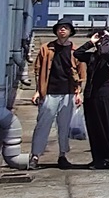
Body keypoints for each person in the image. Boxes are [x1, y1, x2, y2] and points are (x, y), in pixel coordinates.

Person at [28, 19, 84, 170]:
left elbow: (80, 73)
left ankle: (62, 155)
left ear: (70, 31)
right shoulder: (46, 48)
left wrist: (78, 92)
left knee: (64, 126)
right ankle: (35, 156)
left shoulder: (75, 50)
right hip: (50, 92)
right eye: (60, 28)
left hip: (68, 92)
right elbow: (38, 70)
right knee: (42, 125)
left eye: (65, 28)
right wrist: (38, 91)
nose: (62, 30)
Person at [74, 29, 109, 169]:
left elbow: (105, 53)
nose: (100, 43)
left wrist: (106, 40)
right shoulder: (93, 56)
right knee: (94, 128)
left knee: (106, 127)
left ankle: (107, 158)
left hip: (104, 95)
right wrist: (90, 42)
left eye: (104, 41)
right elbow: (77, 54)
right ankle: (97, 157)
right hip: (91, 95)